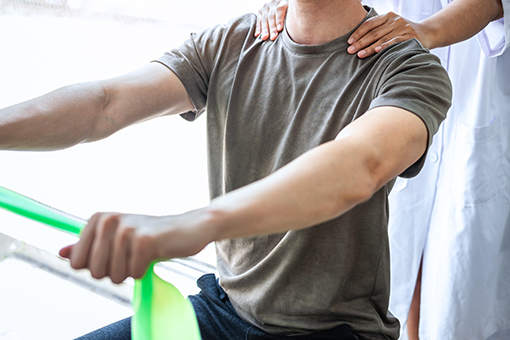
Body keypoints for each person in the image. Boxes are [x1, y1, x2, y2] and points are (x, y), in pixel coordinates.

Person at [0, 0, 452, 339]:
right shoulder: (232, 42)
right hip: (223, 312)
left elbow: (359, 165)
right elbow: (106, 104)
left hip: (333, 332)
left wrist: (188, 227)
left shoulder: (408, 70)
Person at [255, 1, 510, 339]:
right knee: (389, 267)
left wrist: (426, 31)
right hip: (380, 77)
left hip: (473, 100)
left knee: (453, 286)